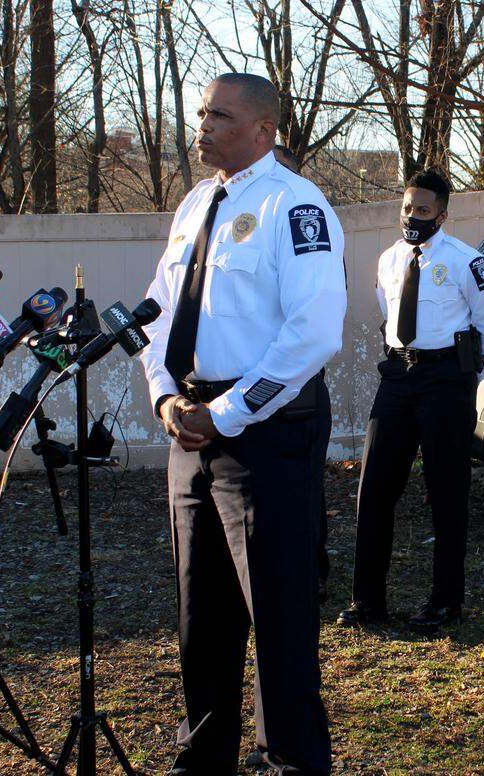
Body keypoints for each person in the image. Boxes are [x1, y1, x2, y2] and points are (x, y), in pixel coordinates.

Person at [139, 73, 346, 775]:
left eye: (218, 115)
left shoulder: (297, 207)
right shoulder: (197, 203)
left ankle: (291, 759)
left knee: (279, 615)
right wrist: (166, 398)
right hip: (190, 426)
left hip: (265, 431)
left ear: (263, 130)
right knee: (202, 614)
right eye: (201, 111)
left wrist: (224, 414)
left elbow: (312, 333)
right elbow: (158, 312)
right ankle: (204, 758)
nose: (202, 124)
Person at [337, 168, 484, 631]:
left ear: (443, 215)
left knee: (447, 492)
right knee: (373, 489)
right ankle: (367, 601)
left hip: (446, 380)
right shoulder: (389, 259)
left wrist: (467, 375)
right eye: (407, 208)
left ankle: (445, 602)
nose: (412, 217)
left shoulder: (467, 261)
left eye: (423, 211)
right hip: (397, 377)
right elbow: (387, 311)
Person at [272, 140, 333, 604]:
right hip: (235, 396)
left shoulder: (307, 218)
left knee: (304, 489)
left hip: (299, 389)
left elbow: (316, 320)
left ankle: (310, 568)